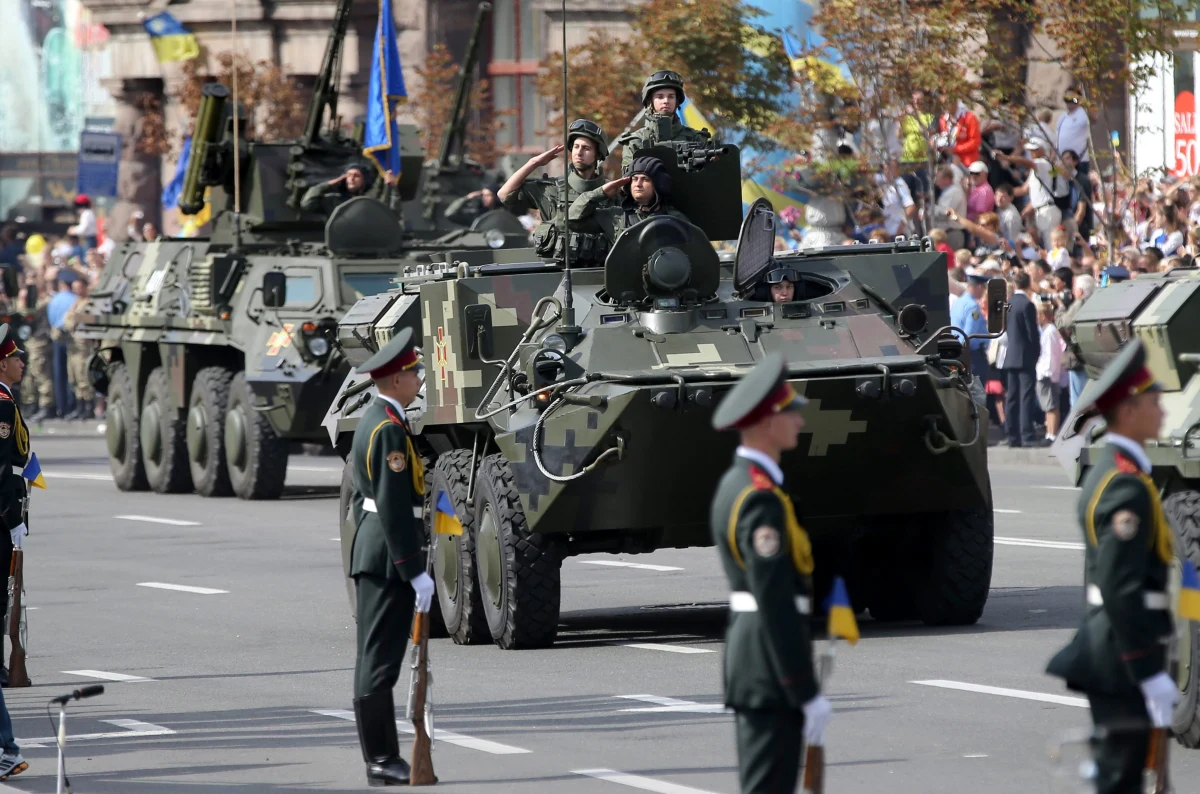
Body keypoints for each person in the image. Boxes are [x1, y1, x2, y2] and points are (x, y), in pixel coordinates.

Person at [1047, 339, 1177, 794]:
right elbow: (1122, 588)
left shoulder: (1117, 473)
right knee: (1121, 781)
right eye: (1154, 402)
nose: (1163, 411)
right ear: (1128, 411)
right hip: (1123, 657)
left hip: (1118, 650)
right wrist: (1148, 671)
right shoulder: (1125, 486)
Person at [709, 351, 831, 794]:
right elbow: (774, 598)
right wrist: (803, 689)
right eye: (789, 413)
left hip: (761, 663)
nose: (799, 421)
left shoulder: (738, 485)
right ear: (764, 423)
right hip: (768, 666)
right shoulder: (759, 498)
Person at [347, 327, 435, 787]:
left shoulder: (380, 418)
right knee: (379, 662)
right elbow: (394, 505)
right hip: (386, 554)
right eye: (414, 372)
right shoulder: (387, 427)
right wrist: (415, 571)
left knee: (374, 658)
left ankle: (381, 757)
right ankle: (381, 757)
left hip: (377, 549)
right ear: (396, 379)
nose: (419, 378)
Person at [499, 119, 611, 264]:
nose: (579, 152)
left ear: (597, 154)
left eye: (586, 148)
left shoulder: (610, 191)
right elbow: (504, 194)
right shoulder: (550, 189)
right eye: (576, 147)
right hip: (555, 272)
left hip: (598, 272)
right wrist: (534, 163)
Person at [0, 325, 28, 781]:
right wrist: (12, 522)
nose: (22, 361)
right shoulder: (2, 406)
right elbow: (4, 471)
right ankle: (5, 747)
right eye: (16, 356)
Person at [569, 155, 688, 244]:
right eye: (634, 179)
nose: (638, 184)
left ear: (657, 185)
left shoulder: (676, 220)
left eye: (645, 179)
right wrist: (601, 193)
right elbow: (572, 221)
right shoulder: (617, 217)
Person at [618, 70, 716, 171]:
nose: (666, 101)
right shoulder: (635, 141)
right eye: (660, 97)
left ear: (677, 100)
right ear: (650, 101)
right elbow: (629, 179)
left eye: (671, 96)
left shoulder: (695, 138)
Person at [1001, 271, 1041, 447]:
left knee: (1012, 397)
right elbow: (1032, 334)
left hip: (1011, 355)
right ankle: (1027, 434)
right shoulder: (1027, 305)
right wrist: (1036, 352)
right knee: (1025, 396)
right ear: (1028, 284)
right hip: (1025, 356)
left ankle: (1013, 435)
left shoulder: (1008, 304)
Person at [300, 163, 399, 216]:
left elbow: (392, 212)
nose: (351, 179)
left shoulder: (371, 200)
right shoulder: (335, 201)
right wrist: (329, 184)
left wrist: (393, 187)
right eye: (348, 175)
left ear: (364, 180)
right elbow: (307, 203)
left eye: (356, 176)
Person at [47, 271, 78, 420]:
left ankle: (61, 407)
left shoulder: (54, 300)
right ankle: (72, 405)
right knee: (72, 372)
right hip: (73, 337)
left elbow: (51, 319)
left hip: (57, 337)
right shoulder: (75, 299)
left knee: (59, 373)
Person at [951, 269, 990, 378]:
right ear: (979, 287)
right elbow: (969, 335)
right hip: (972, 356)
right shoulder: (973, 306)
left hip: (957, 353)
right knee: (977, 392)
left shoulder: (958, 302)